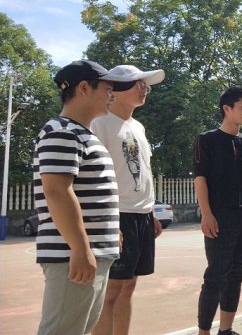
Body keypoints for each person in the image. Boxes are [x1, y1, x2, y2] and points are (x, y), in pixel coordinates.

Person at [33, 60, 130, 335]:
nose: (112, 95)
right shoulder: (63, 131)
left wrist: (110, 232)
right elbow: (57, 191)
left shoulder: (82, 134)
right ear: (85, 88)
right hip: (72, 255)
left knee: (80, 330)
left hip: (91, 252)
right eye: (108, 89)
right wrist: (80, 248)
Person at [90, 65, 165, 335]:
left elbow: (143, 171)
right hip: (117, 214)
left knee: (128, 286)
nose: (145, 89)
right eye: (139, 84)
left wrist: (151, 212)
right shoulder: (99, 123)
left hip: (141, 215)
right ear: (117, 88)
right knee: (110, 290)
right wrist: (107, 221)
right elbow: (95, 176)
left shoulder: (138, 127)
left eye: (146, 86)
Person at [193, 86, 242, 335]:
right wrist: (206, 214)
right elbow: (200, 179)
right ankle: (204, 332)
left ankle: (226, 329)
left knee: (237, 273)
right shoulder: (206, 140)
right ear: (227, 108)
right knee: (216, 275)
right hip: (220, 216)